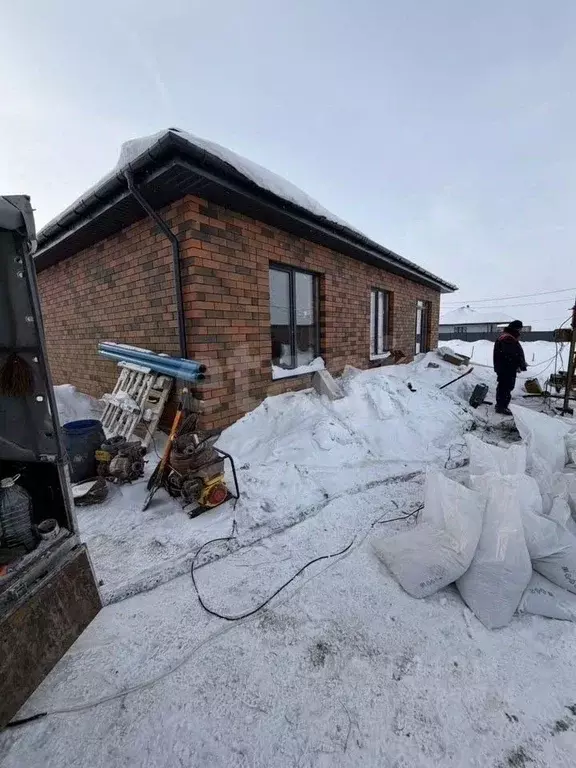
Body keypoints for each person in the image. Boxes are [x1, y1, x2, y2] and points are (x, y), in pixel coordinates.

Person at [493, 320, 526, 415]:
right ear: (516, 328)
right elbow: (510, 355)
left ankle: (501, 405)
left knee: (503, 386)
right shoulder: (508, 338)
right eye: (520, 329)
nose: (520, 331)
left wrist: (519, 363)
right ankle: (502, 407)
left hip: (505, 367)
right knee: (506, 387)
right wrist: (517, 364)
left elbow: (511, 354)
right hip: (507, 368)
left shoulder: (507, 336)